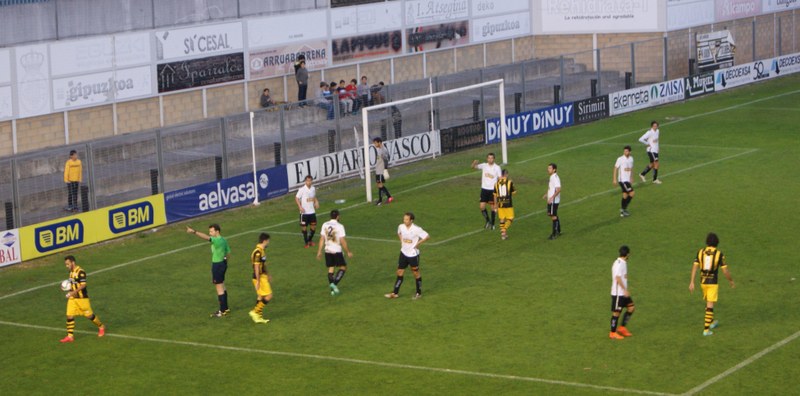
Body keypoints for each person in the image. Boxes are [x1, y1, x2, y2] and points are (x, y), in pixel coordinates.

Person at [689, 232, 735, 336]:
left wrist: (692, 281)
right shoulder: (719, 254)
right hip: (712, 282)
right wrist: (730, 280)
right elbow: (725, 270)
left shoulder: (700, 252)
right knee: (710, 304)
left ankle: (711, 322)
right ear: (717, 242)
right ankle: (706, 330)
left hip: (703, 282)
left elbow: (695, 267)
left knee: (709, 302)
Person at [187, 224, 231, 317]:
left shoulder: (217, 240)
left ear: (217, 231)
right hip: (222, 264)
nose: (210, 233)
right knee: (222, 285)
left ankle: (222, 311)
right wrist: (225, 261)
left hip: (217, 265)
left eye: (211, 231)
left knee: (219, 288)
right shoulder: (223, 240)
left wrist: (194, 232)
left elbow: (206, 237)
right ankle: (226, 308)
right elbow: (228, 252)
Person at [60, 255, 106, 343]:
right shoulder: (71, 272)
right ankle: (70, 336)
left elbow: (83, 285)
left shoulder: (81, 272)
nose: (67, 266)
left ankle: (101, 326)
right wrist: (67, 289)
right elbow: (73, 284)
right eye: (66, 264)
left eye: (68, 264)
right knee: (69, 315)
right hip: (73, 299)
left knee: (89, 316)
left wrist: (73, 292)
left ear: (73, 262)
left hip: (82, 299)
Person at [385, 212, 429, 300]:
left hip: (413, 254)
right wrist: (402, 241)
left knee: (416, 273)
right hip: (403, 253)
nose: (404, 221)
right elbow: (399, 233)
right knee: (399, 272)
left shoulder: (417, 229)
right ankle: (395, 293)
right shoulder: (401, 226)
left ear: (411, 220)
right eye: (404, 219)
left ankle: (418, 293)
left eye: (406, 219)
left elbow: (427, 236)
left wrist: (417, 244)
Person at [316, 210, 353, 296]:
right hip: (336, 250)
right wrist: (348, 251)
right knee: (343, 268)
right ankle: (334, 284)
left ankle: (332, 291)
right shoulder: (340, 226)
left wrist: (319, 252)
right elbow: (342, 240)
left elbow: (322, 239)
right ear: (338, 216)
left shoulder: (325, 224)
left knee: (331, 268)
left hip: (327, 250)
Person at [609, 245, 635, 340]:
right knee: (616, 313)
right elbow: (617, 278)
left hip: (623, 293)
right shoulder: (619, 264)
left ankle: (622, 328)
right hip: (618, 293)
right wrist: (624, 290)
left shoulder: (623, 262)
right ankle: (612, 333)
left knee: (631, 308)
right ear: (627, 254)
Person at [471, 153, 502, 229]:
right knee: (482, 206)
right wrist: (474, 162)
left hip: (492, 190)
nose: (490, 159)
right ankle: (488, 220)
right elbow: (473, 167)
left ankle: (493, 224)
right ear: (487, 159)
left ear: (494, 159)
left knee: (493, 207)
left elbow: (500, 178)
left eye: (491, 158)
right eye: (489, 158)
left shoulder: (497, 168)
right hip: (484, 189)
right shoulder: (484, 165)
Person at [248, 233, 272, 324]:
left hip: (263, 276)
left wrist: (268, 274)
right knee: (269, 295)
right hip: (259, 277)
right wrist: (258, 281)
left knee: (260, 296)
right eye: (268, 241)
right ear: (265, 240)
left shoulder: (262, 250)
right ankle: (255, 311)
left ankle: (258, 317)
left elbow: (263, 265)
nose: (268, 243)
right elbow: (256, 267)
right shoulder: (257, 252)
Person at [295, 175, 319, 248]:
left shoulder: (313, 188)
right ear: (305, 181)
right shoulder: (302, 189)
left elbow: (313, 197)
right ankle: (306, 243)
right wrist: (300, 207)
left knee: (313, 227)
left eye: (310, 180)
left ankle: (309, 240)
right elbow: (296, 198)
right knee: (304, 228)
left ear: (312, 181)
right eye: (307, 181)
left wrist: (316, 202)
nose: (309, 182)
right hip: (304, 213)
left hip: (312, 212)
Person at [493, 169, 516, 240]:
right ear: (506, 174)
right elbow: (514, 193)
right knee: (510, 218)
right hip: (508, 203)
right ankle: (504, 230)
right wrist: (513, 185)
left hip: (500, 203)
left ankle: (503, 235)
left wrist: (495, 205)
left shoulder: (496, 183)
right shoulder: (509, 182)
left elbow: (494, 195)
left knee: (502, 219)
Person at [613, 145, 635, 217]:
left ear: (630, 152)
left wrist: (631, 177)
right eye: (624, 151)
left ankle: (622, 212)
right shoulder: (620, 159)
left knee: (625, 195)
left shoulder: (631, 159)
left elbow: (631, 168)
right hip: (622, 180)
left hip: (627, 180)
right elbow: (615, 168)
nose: (625, 152)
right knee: (632, 193)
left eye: (626, 151)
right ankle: (624, 209)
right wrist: (614, 179)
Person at [543, 163, 562, 240]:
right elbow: (551, 188)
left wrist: (551, 198)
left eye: (550, 168)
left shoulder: (555, 178)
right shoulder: (552, 177)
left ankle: (554, 234)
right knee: (551, 214)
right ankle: (558, 230)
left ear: (554, 169)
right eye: (548, 168)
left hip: (553, 201)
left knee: (553, 216)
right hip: (551, 199)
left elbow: (558, 189)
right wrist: (546, 194)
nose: (548, 169)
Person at [372, 137, 393, 205]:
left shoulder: (383, 150)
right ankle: (382, 199)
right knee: (379, 185)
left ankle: (386, 198)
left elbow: (386, 159)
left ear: (379, 143)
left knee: (380, 185)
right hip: (378, 170)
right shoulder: (379, 149)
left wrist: (385, 169)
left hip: (381, 170)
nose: (374, 144)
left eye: (375, 143)